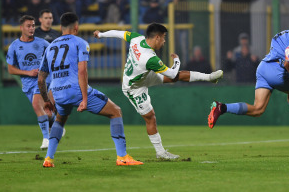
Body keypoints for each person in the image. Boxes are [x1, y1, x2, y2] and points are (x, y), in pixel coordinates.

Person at [93, 23, 223, 159]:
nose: (164, 41)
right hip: (133, 87)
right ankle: (160, 153)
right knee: (150, 117)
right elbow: (172, 73)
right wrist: (177, 61)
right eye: (164, 38)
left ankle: (209, 77)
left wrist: (101, 34)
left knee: (176, 77)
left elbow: (119, 33)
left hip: (143, 76)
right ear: (157, 38)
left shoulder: (136, 38)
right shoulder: (150, 58)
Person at [39, 12, 143, 167]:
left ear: (61, 27)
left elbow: (41, 79)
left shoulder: (50, 47)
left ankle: (49, 158)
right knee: (115, 111)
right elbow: (82, 72)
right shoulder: (80, 43)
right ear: (76, 27)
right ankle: (122, 157)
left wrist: (47, 101)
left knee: (60, 119)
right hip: (76, 90)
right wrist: (85, 99)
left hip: (57, 92)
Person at [208, 11, 289, 128]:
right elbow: (287, 64)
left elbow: (288, 55)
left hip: (264, 67)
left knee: (258, 110)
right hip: (277, 71)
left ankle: (222, 107)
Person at [6, 15, 56, 149]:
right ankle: (56, 121)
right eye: (29, 26)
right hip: (27, 84)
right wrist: (28, 72)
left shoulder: (42, 43)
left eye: (33, 25)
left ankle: (46, 138)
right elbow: (11, 69)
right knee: (46, 111)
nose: (32, 28)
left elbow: (54, 56)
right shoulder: (14, 46)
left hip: (42, 81)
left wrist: (46, 69)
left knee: (36, 105)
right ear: (21, 28)